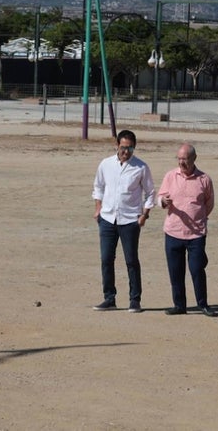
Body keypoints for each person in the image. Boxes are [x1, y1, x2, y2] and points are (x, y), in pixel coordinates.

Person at [92, 129, 155, 313]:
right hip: (107, 218)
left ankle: (135, 299)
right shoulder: (106, 164)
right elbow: (98, 186)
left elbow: (150, 192)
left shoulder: (141, 168)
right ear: (116, 146)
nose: (125, 152)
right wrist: (98, 208)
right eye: (122, 147)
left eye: (130, 148)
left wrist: (144, 214)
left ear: (134, 148)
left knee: (131, 260)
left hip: (129, 220)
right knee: (106, 259)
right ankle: (109, 298)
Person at [157, 143, 217, 317]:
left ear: (194, 159)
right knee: (175, 271)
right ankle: (179, 305)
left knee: (197, 268)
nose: (182, 162)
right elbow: (159, 197)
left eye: (185, 159)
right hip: (173, 231)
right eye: (179, 158)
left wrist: (199, 217)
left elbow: (209, 203)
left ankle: (203, 304)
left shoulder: (204, 179)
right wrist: (163, 202)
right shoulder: (170, 176)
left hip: (196, 233)